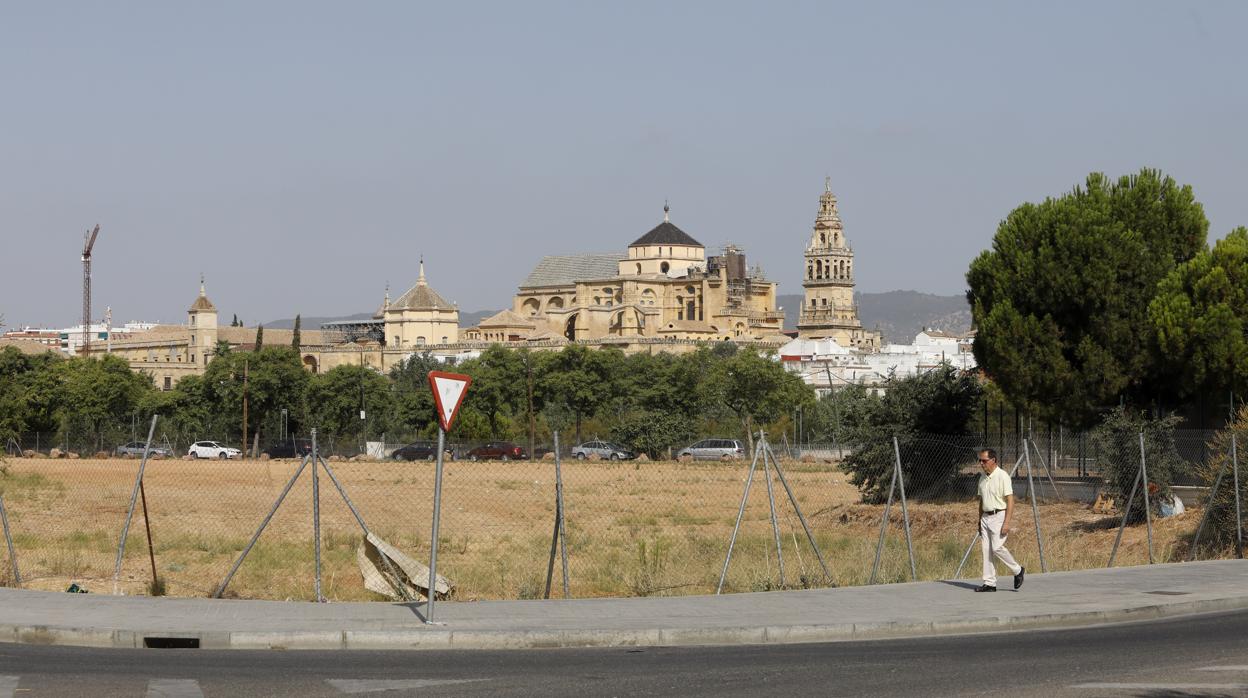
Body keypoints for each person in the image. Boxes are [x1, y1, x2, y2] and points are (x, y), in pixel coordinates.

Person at [974, 449, 1024, 592]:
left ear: (993, 460)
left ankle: (1018, 570)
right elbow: (981, 500)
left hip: (999, 516)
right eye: (980, 461)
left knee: (997, 548)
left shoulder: (1002, 476)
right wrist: (979, 520)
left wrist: (1006, 522)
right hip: (985, 517)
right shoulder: (982, 478)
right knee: (986, 550)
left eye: (984, 460)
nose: (981, 463)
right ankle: (989, 583)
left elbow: (1010, 500)